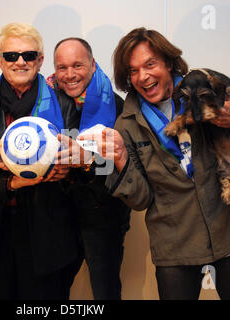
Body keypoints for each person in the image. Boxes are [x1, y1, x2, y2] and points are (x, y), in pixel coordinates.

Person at [80, 27, 230, 300]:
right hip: (174, 247)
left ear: (169, 63)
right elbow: (141, 200)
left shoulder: (205, 89)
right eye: (133, 71)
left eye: (150, 64)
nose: (143, 76)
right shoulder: (126, 124)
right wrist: (122, 160)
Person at [0, 23, 80, 300]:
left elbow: (80, 164)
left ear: (40, 59)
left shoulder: (64, 102)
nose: (20, 62)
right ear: (0, 60)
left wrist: (67, 170)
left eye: (28, 55)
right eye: (12, 55)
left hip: (47, 226)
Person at [47, 37, 131, 299]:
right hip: (57, 215)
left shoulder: (116, 105)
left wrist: (87, 161)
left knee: (105, 291)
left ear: (93, 65)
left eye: (78, 65)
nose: (70, 75)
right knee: (52, 291)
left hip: (102, 215)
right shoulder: (45, 101)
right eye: (62, 67)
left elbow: (126, 167)